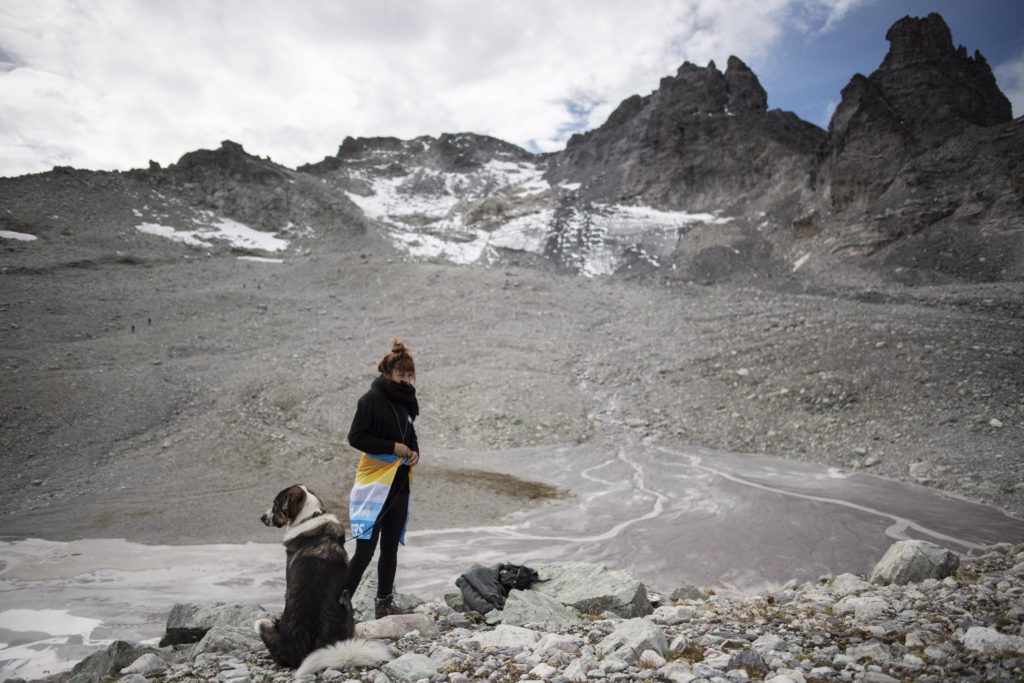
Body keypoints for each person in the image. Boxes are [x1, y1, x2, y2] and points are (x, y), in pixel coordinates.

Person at [345, 338, 420, 619]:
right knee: (365, 549)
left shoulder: (407, 402)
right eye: (401, 374)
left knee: (389, 547)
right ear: (387, 373)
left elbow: (410, 436)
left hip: (399, 481)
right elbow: (356, 437)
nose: (406, 379)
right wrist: (392, 447)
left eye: (410, 375)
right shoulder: (371, 399)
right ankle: (339, 605)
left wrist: (414, 453)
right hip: (374, 484)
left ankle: (384, 603)